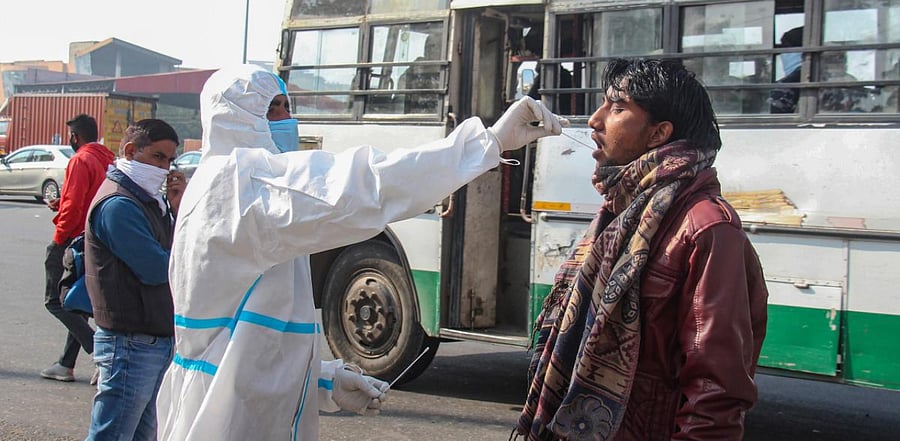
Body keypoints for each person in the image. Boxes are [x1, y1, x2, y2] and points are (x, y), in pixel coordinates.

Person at [156, 64, 565, 441]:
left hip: (231, 402)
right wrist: (487, 142)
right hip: (227, 418)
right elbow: (367, 186)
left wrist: (323, 381)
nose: (287, 121)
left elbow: (248, 338)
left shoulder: (221, 187)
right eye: (272, 110)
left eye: (287, 107)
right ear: (235, 118)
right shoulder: (242, 186)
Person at [515, 58, 769, 440]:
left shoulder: (707, 229)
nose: (594, 121)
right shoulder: (620, 213)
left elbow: (716, 391)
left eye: (617, 108)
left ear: (658, 134)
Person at [84, 119, 186, 441]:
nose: (165, 168)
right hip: (131, 344)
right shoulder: (118, 205)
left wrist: (177, 208)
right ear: (131, 151)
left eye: (170, 160)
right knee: (112, 434)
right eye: (158, 157)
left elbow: (165, 249)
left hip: (149, 339)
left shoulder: (144, 199)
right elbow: (156, 267)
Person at [40, 114, 114, 383]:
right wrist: (60, 204)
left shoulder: (80, 160)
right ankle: (65, 364)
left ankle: (102, 352)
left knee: (56, 301)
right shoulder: (107, 158)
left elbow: (73, 209)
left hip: (73, 239)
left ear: (75, 137)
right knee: (77, 301)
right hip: (96, 240)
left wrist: (58, 240)